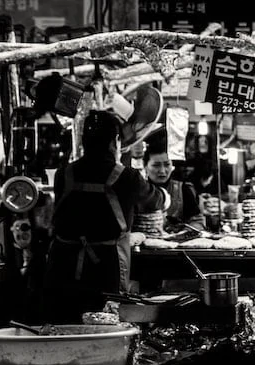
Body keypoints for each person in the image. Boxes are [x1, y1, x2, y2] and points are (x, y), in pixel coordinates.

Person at [44, 111, 167, 323]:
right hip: (106, 266)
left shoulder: (64, 173)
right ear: (115, 141)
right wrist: (166, 197)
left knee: (66, 322)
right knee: (104, 321)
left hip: (64, 263)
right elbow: (155, 201)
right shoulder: (127, 176)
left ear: (84, 141)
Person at [142, 145, 205, 232]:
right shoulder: (138, 191)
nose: (162, 171)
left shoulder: (183, 190)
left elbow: (197, 221)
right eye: (156, 165)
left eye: (167, 164)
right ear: (145, 167)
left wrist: (184, 233)